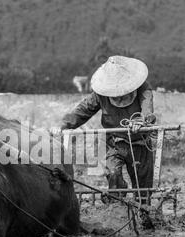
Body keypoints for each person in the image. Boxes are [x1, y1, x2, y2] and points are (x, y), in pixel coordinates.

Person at [50, 56, 156, 204]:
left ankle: (144, 213)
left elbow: (147, 110)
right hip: (112, 142)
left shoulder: (143, 88)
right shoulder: (101, 94)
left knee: (142, 187)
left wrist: (141, 121)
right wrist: (64, 125)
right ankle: (117, 204)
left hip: (140, 142)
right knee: (113, 174)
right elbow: (83, 110)